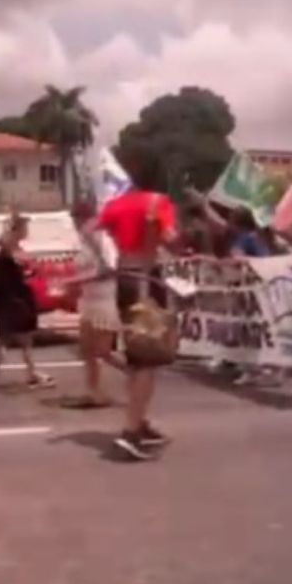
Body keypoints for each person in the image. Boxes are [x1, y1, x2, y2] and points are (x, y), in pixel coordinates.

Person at [97, 175, 182, 460]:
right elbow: (171, 239)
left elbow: (96, 230)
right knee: (148, 358)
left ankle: (140, 421)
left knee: (136, 355)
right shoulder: (159, 202)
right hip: (147, 279)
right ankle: (131, 431)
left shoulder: (114, 205)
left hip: (125, 277)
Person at [0, 209, 54, 390]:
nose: (27, 231)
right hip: (11, 301)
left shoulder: (16, 248)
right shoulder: (9, 247)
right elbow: (14, 255)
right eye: (25, 227)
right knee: (9, 339)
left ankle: (28, 373)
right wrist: (12, 223)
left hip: (17, 299)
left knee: (19, 340)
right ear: (18, 229)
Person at [64, 199, 119, 409]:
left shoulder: (103, 241)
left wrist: (74, 281)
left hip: (104, 300)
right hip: (88, 301)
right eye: (75, 218)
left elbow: (109, 270)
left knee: (102, 351)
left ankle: (135, 375)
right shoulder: (83, 242)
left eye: (79, 218)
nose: (77, 223)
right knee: (88, 350)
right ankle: (93, 392)